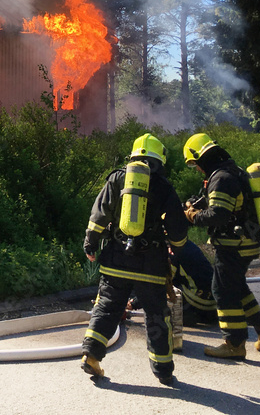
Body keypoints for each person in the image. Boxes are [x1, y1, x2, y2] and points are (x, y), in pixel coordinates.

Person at [81, 134, 189, 386]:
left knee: (107, 306)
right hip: (150, 264)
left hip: (116, 258)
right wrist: (178, 249)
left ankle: (92, 355)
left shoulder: (117, 178)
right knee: (156, 315)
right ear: (159, 159)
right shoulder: (163, 186)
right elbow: (177, 227)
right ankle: (163, 371)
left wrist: (91, 242)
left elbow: (100, 213)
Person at [182, 133, 260, 358]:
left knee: (221, 291)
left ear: (202, 157)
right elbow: (221, 204)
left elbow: (218, 215)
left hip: (234, 245)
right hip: (245, 243)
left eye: (196, 164)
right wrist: (193, 204)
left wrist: (192, 217)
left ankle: (234, 344)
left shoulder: (222, 178)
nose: (197, 169)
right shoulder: (231, 172)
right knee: (237, 288)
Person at [170, 238, 217, 326]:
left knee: (168, 281)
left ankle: (183, 313)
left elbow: (162, 282)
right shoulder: (189, 245)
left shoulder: (172, 251)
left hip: (195, 305)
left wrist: (137, 302)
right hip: (213, 306)